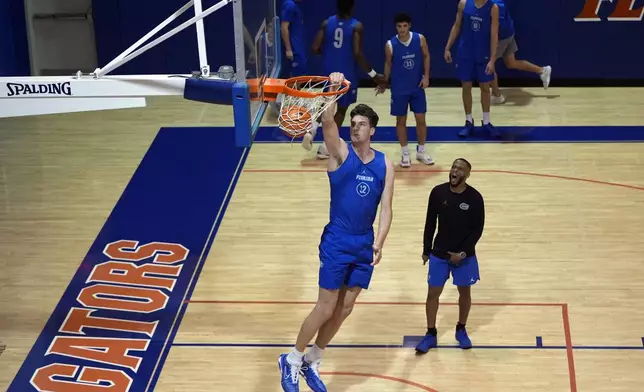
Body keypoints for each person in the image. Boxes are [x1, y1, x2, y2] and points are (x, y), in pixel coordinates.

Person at [278, 72, 395, 392]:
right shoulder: (340, 152)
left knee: (345, 308)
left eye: (360, 124)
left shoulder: (385, 164)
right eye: (352, 122)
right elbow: (328, 120)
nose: (354, 126)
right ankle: (290, 358)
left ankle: (312, 359)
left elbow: (386, 207)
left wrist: (380, 242)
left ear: (372, 130)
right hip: (338, 240)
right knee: (326, 306)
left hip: (364, 242)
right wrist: (332, 89)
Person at [416, 158, 485, 353]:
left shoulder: (475, 198)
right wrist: (425, 249)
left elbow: (477, 230)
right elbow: (430, 222)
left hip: (465, 256)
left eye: (460, 169)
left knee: (465, 294)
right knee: (432, 294)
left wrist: (462, 253)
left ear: (467, 175)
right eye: (454, 167)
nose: (455, 171)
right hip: (440, 253)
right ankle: (430, 333)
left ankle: (461, 329)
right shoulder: (438, 192)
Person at [302, 0, 387, 159]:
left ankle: (311, 130)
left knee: (326, 103)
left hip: (327, 71)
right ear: (352, 7)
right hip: (346, 73)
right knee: (341, 109)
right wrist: (374, 75)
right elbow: (357, 53)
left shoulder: (327, 23)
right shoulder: (356, 26)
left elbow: (314, 48)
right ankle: (325, 147)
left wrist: (328, 53)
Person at [377, 13, 434, 168]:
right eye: (399, 26)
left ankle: (421, 151)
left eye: (404, 26)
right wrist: (384, 82)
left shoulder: (419, 39)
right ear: (396, 27)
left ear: (409, 26)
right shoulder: (390, 44)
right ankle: (405, 153)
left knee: (421, 119)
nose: (402, 29)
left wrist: (426, 76)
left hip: (417, 87)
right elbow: (388, 65)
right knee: (401, 121)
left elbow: (427, 56)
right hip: (399, 89)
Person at [445, 0, 500, 138]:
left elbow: (494, 35)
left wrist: (493, 60)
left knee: (485, 88)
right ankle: (468, 121)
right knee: (466, 87)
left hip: (484, 54)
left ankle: (486, 122)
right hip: (465, 53)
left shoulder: (493, 8)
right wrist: (447, 47)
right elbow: (457, 26)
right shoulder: (464, 4)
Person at [489, 0, 552, 104]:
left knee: (488, 65)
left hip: (502, 36)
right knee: (511, 62)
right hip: (509, 33)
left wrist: (493, 47)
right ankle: (542, 71)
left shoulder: (494, 5)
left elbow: (498, 26)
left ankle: (496, 95)